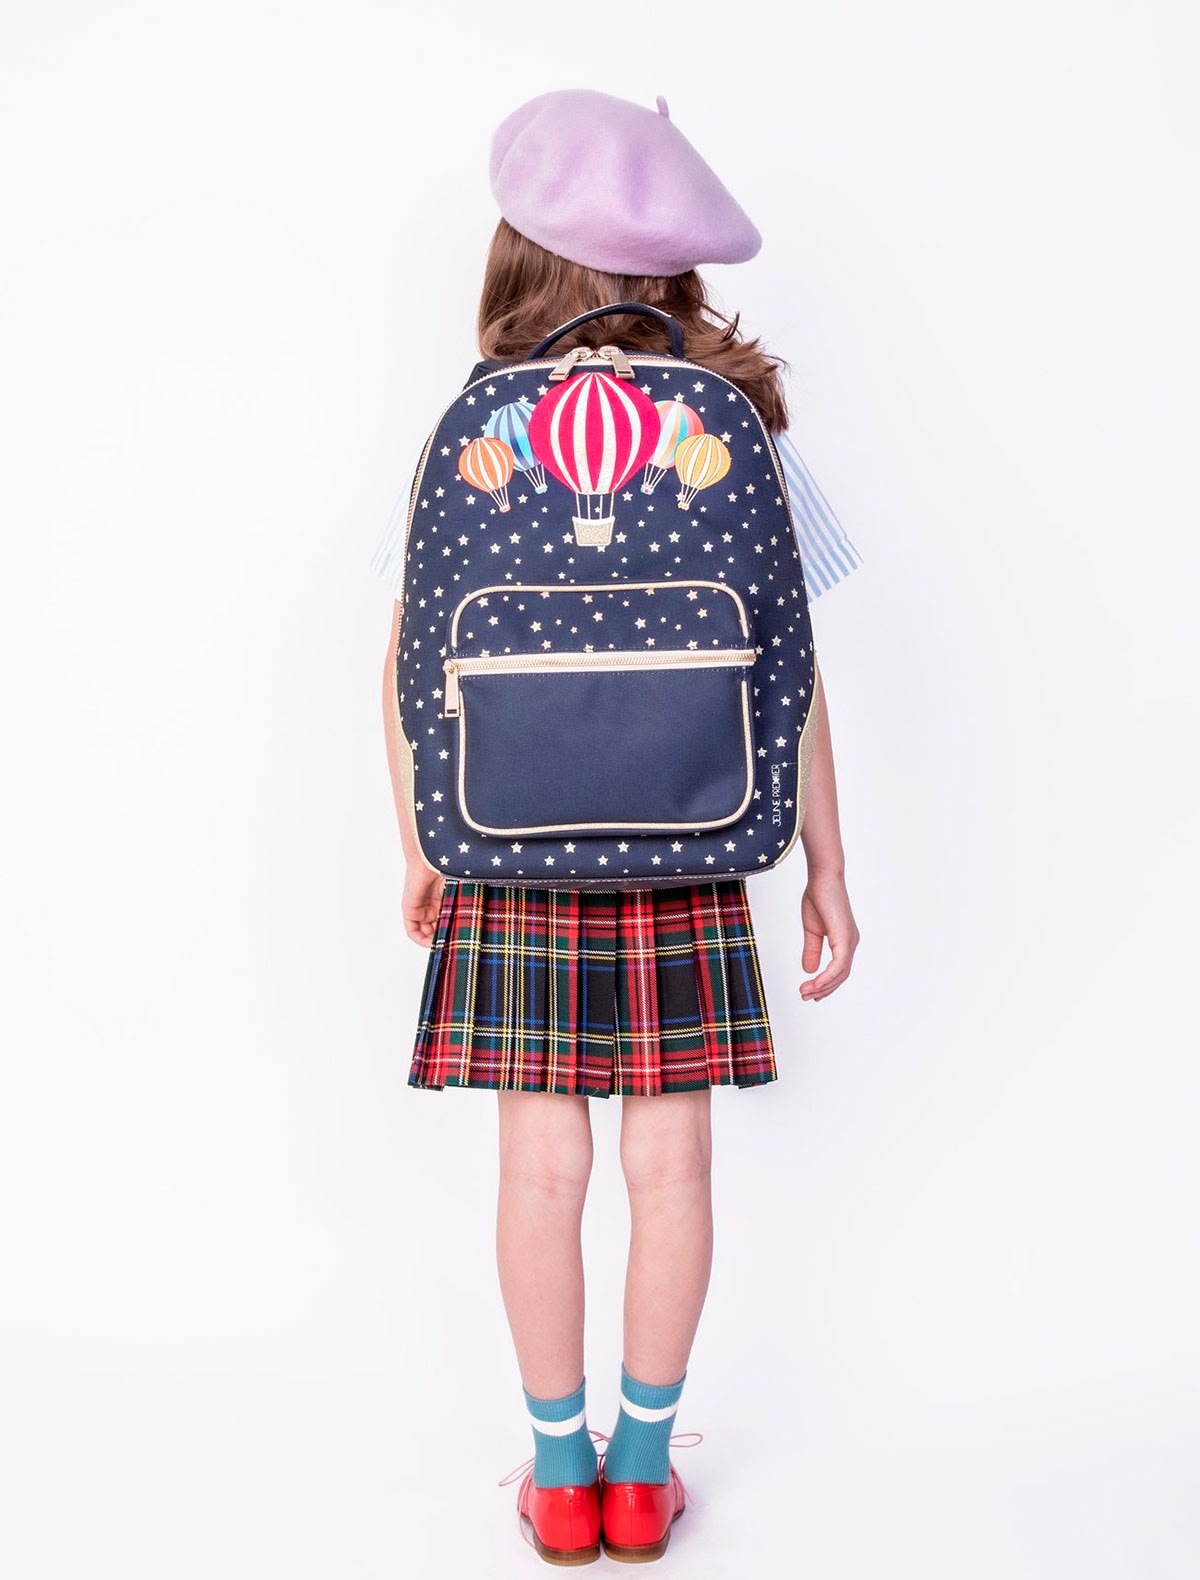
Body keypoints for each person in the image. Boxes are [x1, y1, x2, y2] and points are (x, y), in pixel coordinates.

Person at [373, 89, 862, 1566]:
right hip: (690, 833)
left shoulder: (474, 429)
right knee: (673, 1171)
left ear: (517, 262)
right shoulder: (737, 427)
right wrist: (826, 860)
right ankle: (641, 1473)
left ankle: (557, 1470)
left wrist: (423, 841)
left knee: (540, 1174)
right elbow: (789, 666)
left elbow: (410, 662)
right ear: (674, 273)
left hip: (511, 839)